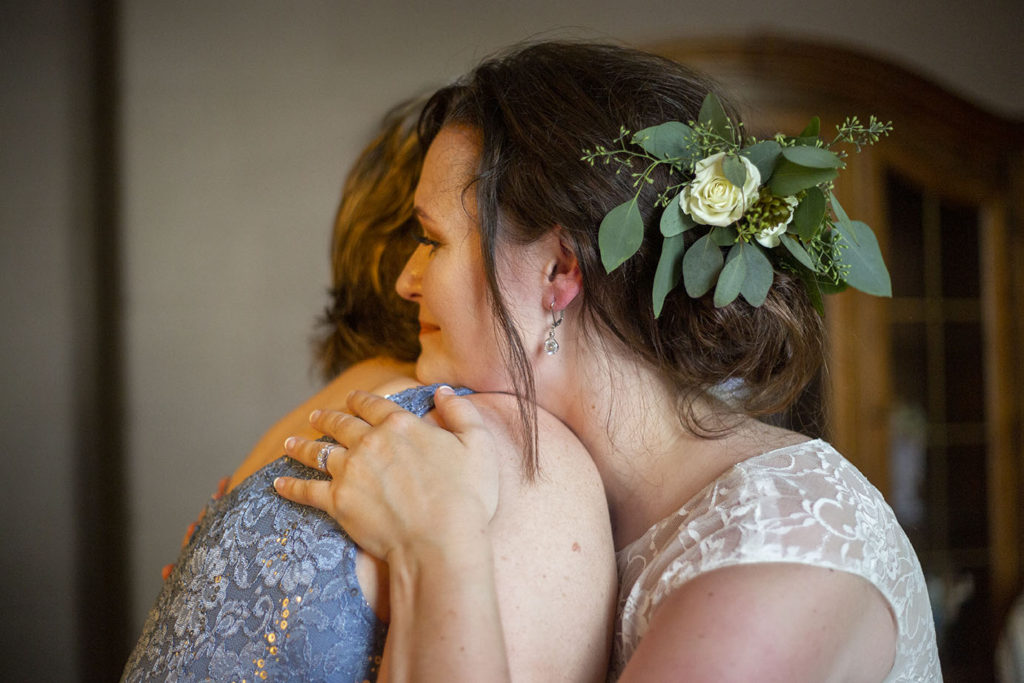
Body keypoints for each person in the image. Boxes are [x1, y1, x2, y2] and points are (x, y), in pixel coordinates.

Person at [275, 41, 942, 681]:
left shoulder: (783, 550)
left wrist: (436, 548)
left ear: (558, 270)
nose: (406, 281)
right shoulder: (559, 494)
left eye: (432, 239)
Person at [121, 97, 616, 682]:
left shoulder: (476, 439)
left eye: (431, 239)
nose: (412, 277)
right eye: (420, 236)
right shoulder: (508, 449)